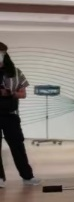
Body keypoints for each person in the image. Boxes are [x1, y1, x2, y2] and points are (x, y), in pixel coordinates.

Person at [0, 42, 38, 186]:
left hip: (10, 113)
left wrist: (10, 93)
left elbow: (23, 94)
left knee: (17, 145)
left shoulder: (15, 72)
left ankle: (27, 176)